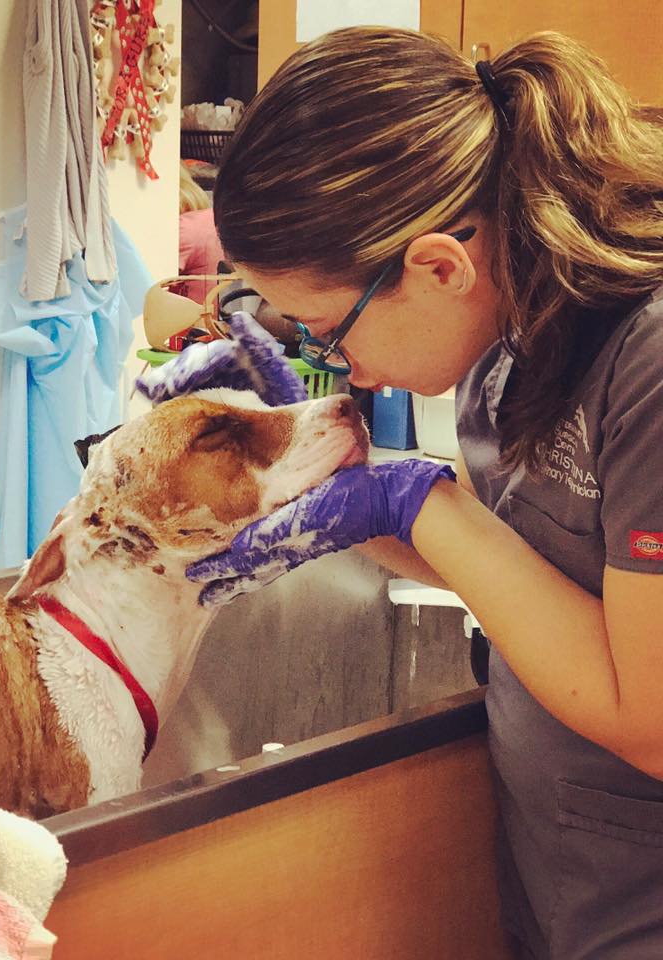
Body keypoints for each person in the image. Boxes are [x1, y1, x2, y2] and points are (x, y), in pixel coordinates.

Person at [137, 27, 663, 960]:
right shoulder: (512, 328)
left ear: (437, 266)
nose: (341, 365)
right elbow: (522, 570)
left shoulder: (651, 361)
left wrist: (418, 499)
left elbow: (651, 718)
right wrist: (340, 476)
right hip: (565, 877)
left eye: (329, 329)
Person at [176, 162, 226, 302]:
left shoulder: (183, 229)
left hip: (191, 320)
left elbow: (151, 279)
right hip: (219, 317)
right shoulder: (210, 218)